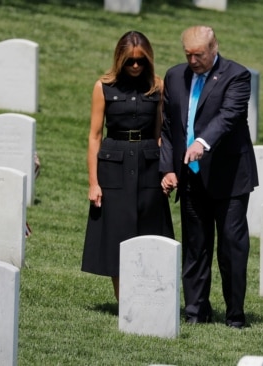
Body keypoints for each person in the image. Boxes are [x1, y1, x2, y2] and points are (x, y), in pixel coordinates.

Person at [160, 25, 258, 328]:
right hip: (191, 177)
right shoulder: (175, 76)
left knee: (231, 246)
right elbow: (168, 127)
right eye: (187, 54)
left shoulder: (236, 76)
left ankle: (235, 315)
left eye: (198, 55)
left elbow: (228, 116)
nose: (192, 60)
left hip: (229, 178)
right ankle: (195, 312)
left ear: (214, 49)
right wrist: (168, 168)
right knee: (195, 247)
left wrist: (202, 143)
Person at [82, 31, 175, 302]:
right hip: (115, 166)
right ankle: (125, 301)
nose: (135, 66)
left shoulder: (157, 87)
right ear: (119, 60)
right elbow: (95, 136)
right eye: (130, 61)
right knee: (117, 233)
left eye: (141, 61)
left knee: (150, 230)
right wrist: (93, 182)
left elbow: (160, 134)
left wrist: (165, 171)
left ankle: (151, 297)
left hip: (148, 164)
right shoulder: (103, 87)